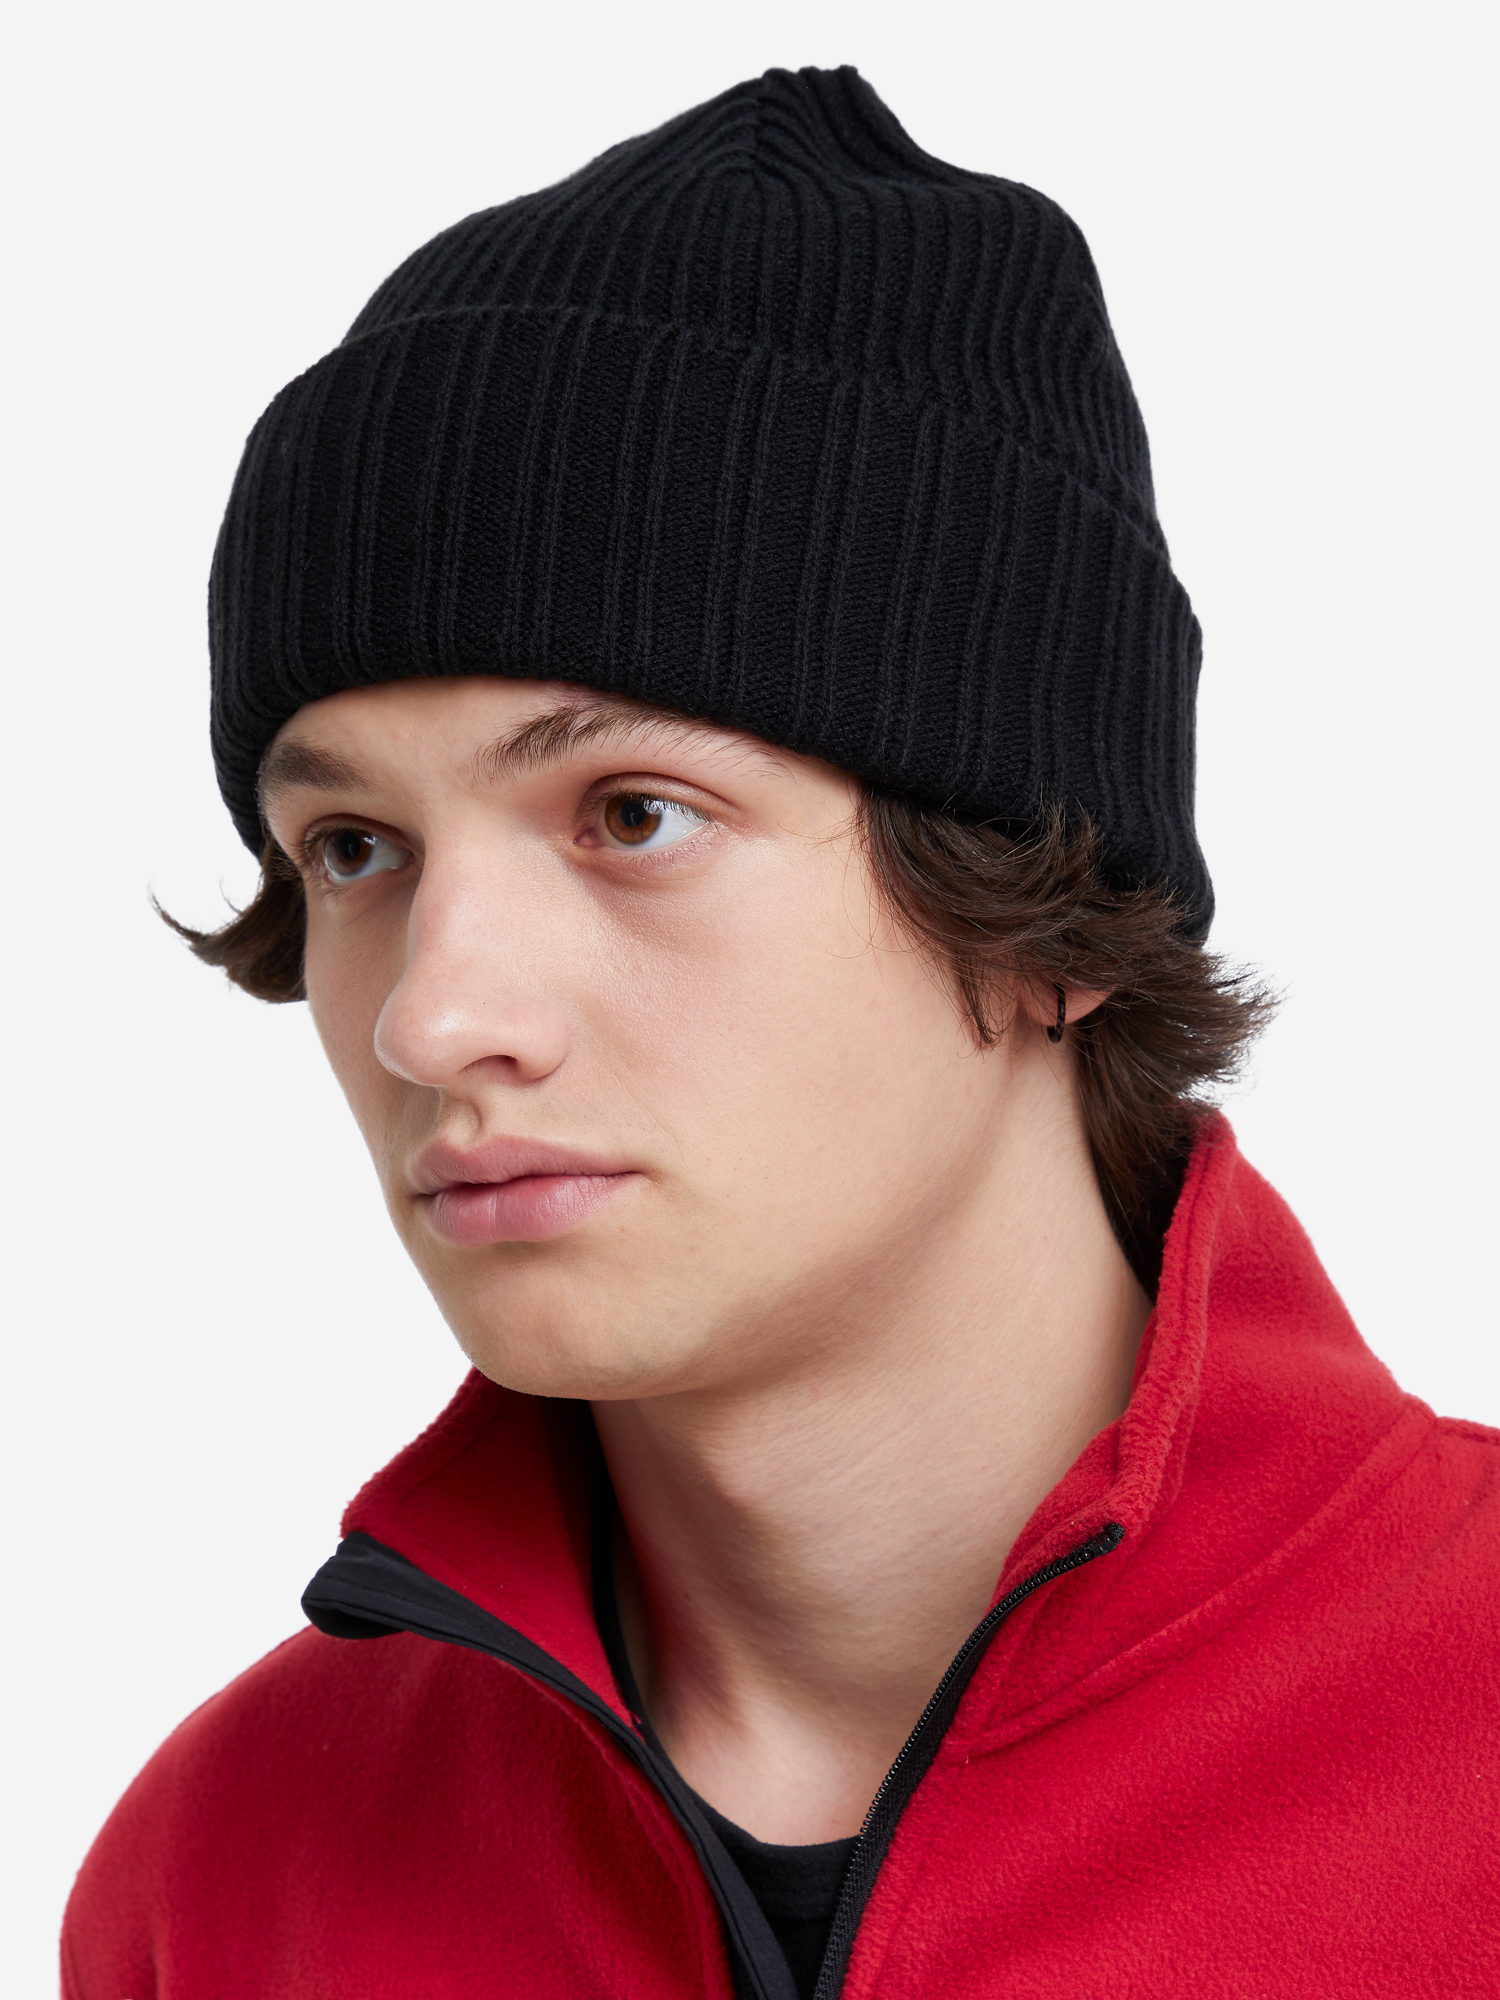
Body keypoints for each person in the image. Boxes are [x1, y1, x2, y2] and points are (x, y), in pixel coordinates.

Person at [63, 65, 1498, 2000]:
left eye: (634, 814)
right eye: (354, 848)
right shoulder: (227, 1875)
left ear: (1049, 906)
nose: (434, 1015)